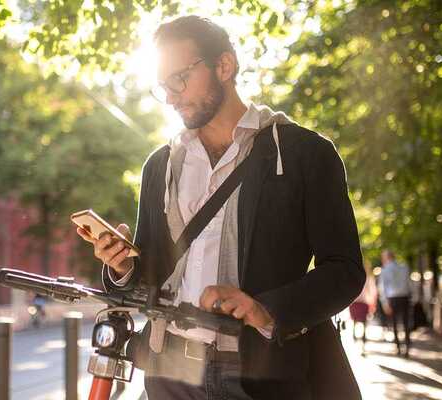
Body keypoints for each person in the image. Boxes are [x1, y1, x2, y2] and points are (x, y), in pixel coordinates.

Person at [76, 15, 365, 399]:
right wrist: (123, 265)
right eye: (163, 85)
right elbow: (151, 277)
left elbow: (344, 271)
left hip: (262, 374)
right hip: (170, 370)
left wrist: (266, 309)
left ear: (224, 66)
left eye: (180, 79)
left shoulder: (305, 155)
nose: (170, 96)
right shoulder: (160, 166)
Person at [378, 249, 412, 357]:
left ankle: (398, 347)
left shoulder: (384, 270)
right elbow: (409, 283)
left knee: (394, 323)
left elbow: (382, 288)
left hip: (392, 299)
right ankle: (406, 346)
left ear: (386, 258)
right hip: (404, 297)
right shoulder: (404, 268)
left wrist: (384, 303)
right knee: (405, 323)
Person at [348, 262, 377, 354]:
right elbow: (373, 291)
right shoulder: (369, 277)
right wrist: (372, 303)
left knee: (355, 322)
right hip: (364, 302)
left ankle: (355, 339)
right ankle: (362, 344)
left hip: (355, 302)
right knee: (364, 323)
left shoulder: (354, 276)